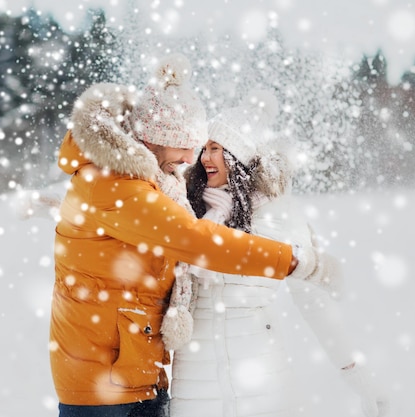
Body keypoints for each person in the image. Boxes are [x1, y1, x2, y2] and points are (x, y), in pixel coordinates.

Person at [49, 55, 315, 417]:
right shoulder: (117, 185)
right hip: (107, 392)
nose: (193, 157)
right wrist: (293, 260)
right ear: (155, 139)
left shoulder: (143, 183)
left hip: (131, 377)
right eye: (186, 145)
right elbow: (195, 241)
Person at [165, 90, 390, 417]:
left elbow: (311, 298)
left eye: (216, 149)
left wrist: (354, 371)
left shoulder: (277, 213)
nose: (204, 157)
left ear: (238, 157)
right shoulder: (186, 210)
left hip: (260, 379)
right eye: (205, 148)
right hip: (195, 384)